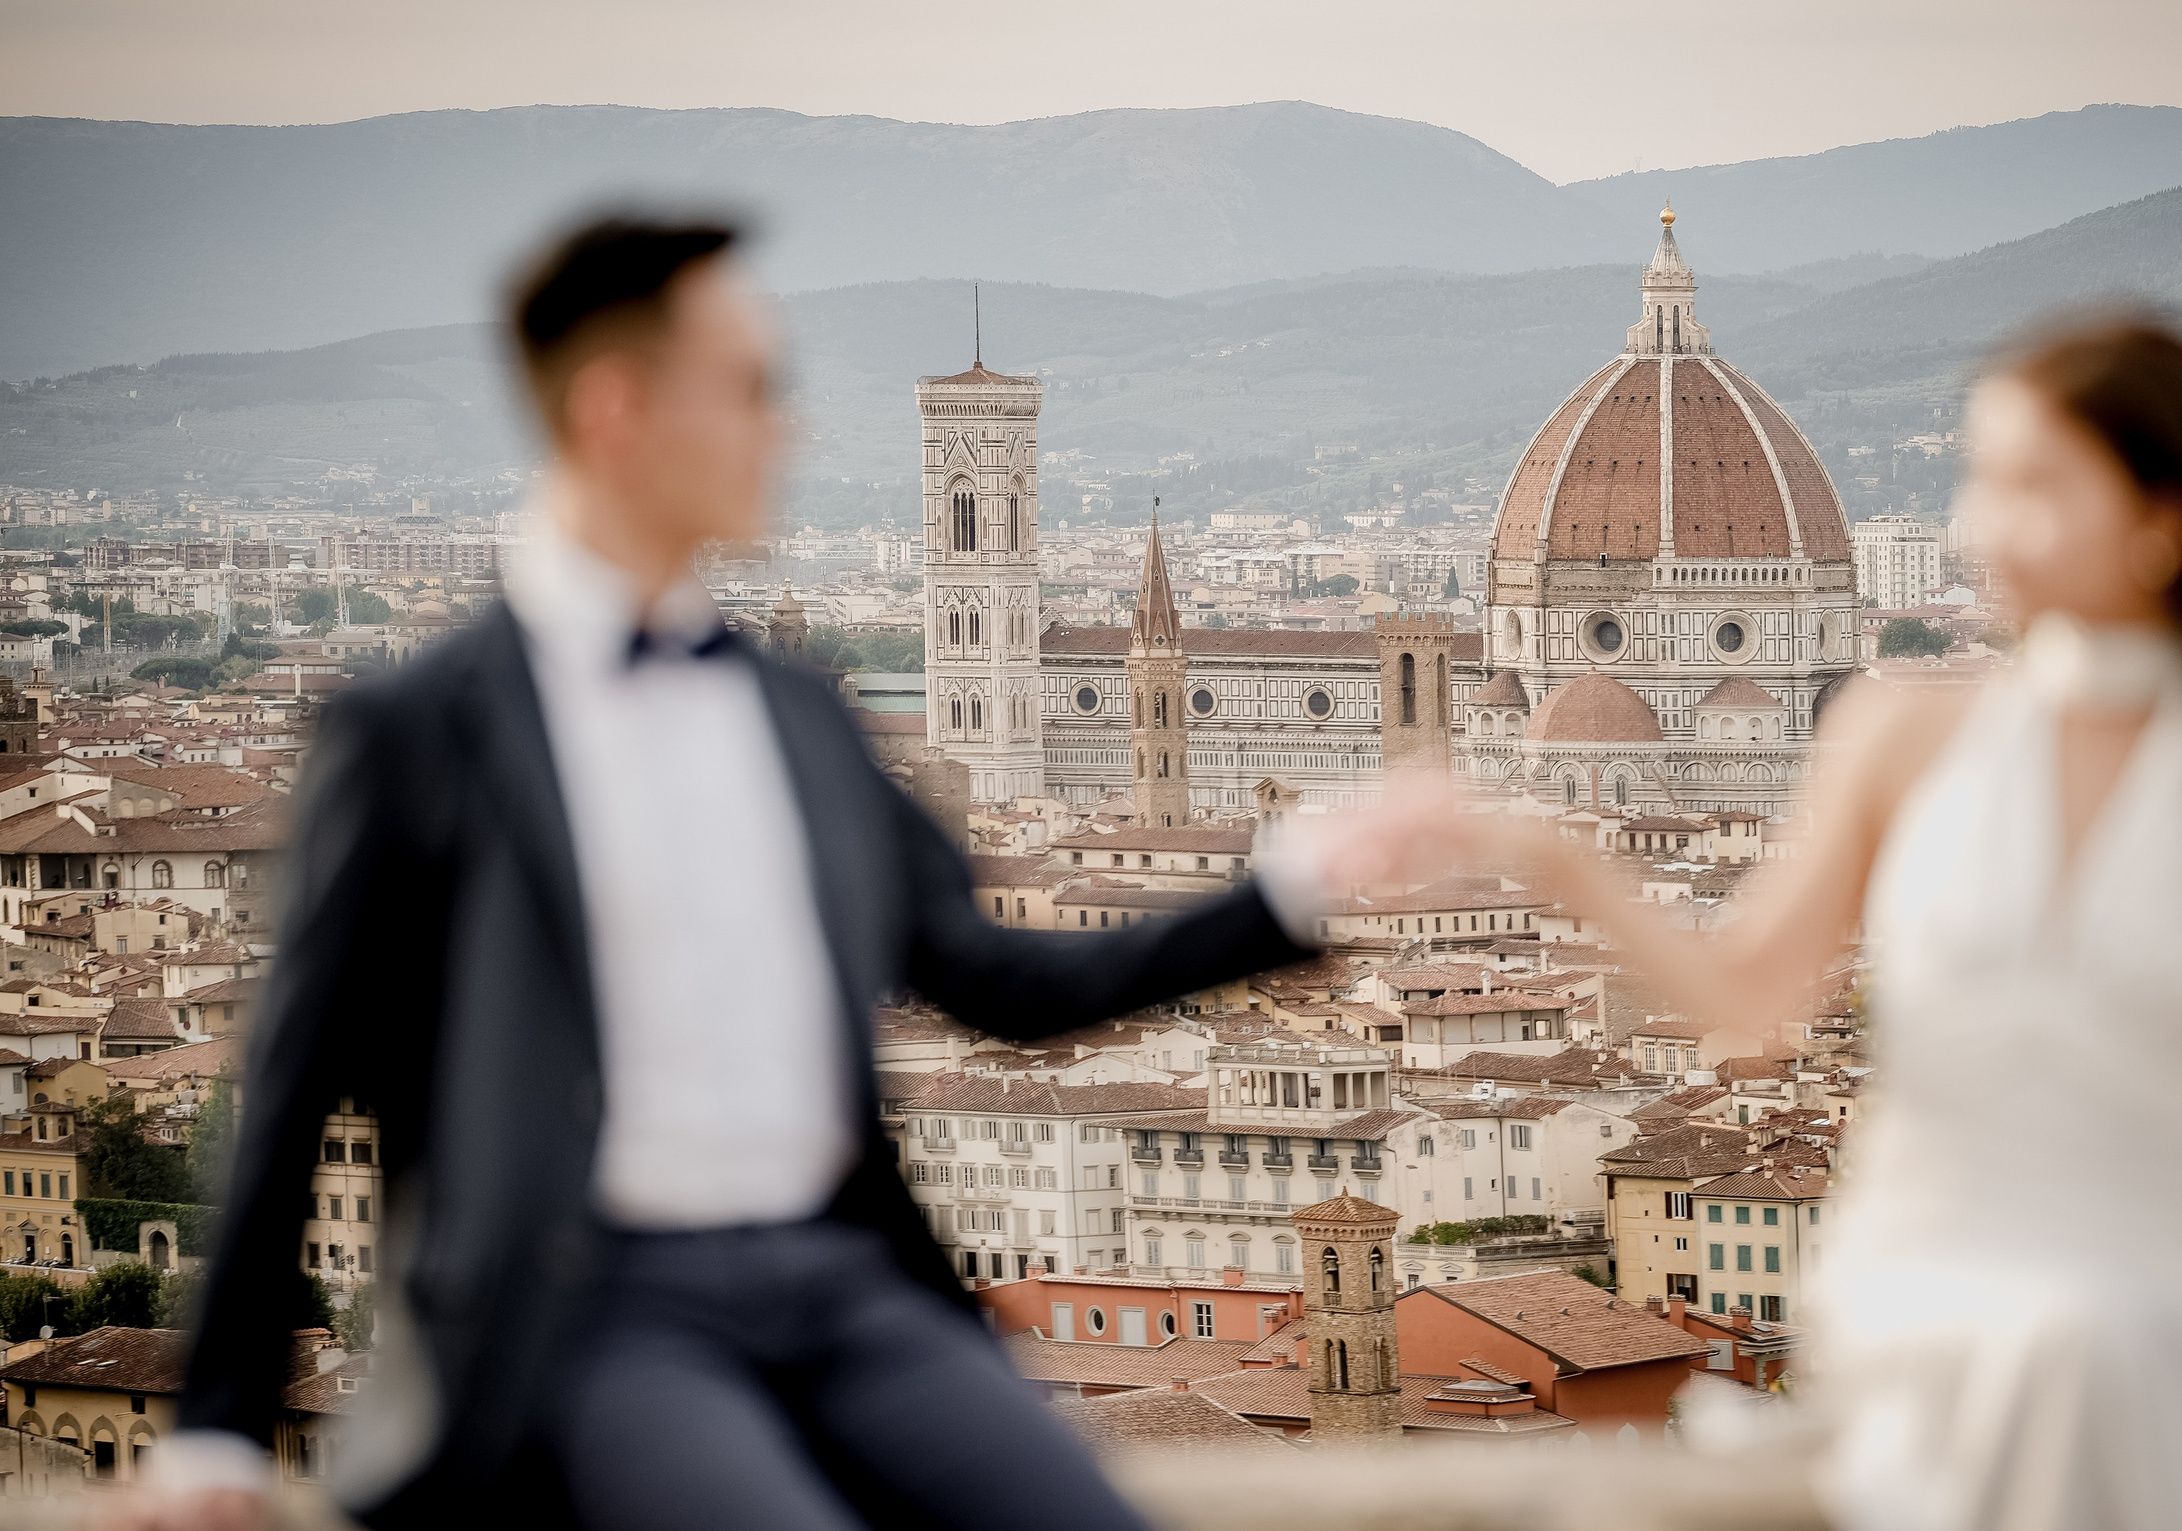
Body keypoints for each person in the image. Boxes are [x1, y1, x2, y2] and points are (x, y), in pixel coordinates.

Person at [128, 218, 1431, 1531]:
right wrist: (217, 1432)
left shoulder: (801, 713)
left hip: (845, 1282)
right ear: (615, 407)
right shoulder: (420, 727)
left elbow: (1007, 981)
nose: (786, 431)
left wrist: (1290, 886)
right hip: (600, 1314)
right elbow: (293, 1078)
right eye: (750, 390)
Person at [1515, 319, 2182, 1527]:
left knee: (2087, 1347)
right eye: (1981, 481)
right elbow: (1744, 995)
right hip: (1932, 1284)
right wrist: (1558, 858)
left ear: (2167, 522)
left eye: (2035, 486)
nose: (1982, 529)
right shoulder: (1897, 739)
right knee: (2050, 1352)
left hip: (2169, 1290)